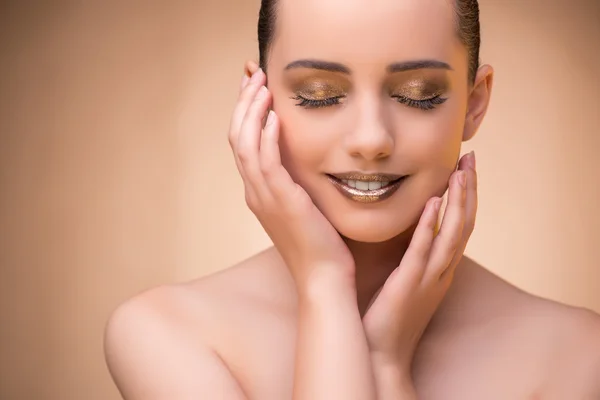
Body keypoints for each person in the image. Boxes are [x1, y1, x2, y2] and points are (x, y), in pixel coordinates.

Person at [103, 0, 600, 398]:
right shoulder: (166, 335)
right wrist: (325, 287)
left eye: (419, 94)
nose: (370, 139)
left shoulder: (578, 358)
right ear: (259, 98)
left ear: (474, 103)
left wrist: (387, 368)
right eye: (320, 94)